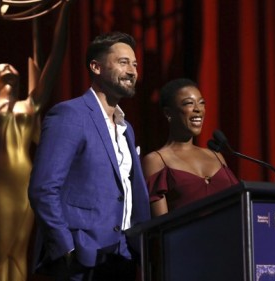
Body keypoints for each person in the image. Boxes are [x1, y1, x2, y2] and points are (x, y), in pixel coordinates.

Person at [0, 0, 73, 280]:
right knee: (2, 249)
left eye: (11, 66)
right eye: (1, 67)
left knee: (20, 250)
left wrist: (66, 8)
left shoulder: (29, 105)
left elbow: (55, 57)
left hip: (26, 178)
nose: (8, 67)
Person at [28, 32, 151, 281]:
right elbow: (43, 188)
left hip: (123, 257)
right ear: (96, 67)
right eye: (123, 62)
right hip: (81, 260)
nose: (132, 71)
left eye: (135, 64)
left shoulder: (127, 128)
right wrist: (66, 248)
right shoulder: (70, 114)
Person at [142, 78, 239, 217]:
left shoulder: (216, 156)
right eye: (189, 103)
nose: (198, 109)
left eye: (202, 103)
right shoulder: (156, 160)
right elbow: (161, 228)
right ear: (168, 113)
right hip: (187, 239)